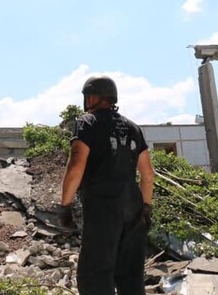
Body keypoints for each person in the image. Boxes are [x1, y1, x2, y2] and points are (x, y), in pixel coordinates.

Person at [59, 75, 155, 295]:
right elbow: (148, 174)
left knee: (95, 276)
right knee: (131, 277)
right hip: (133, 207)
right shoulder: (133, 127)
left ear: (92, 97)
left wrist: (65, 206)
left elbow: (76, 165)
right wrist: (146, 208)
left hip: (103, 208)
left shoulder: (87, 122)